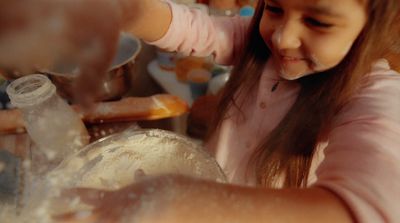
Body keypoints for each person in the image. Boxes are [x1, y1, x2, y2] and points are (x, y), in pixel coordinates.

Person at [2, 0, 400, 222]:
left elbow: (360, 208)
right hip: (209, 182)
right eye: (274, 7)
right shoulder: (256, 45)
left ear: (377, 27)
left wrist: (173, 200)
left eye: (318, 20)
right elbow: (197, 29)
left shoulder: (375, 96)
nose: (282, 36)